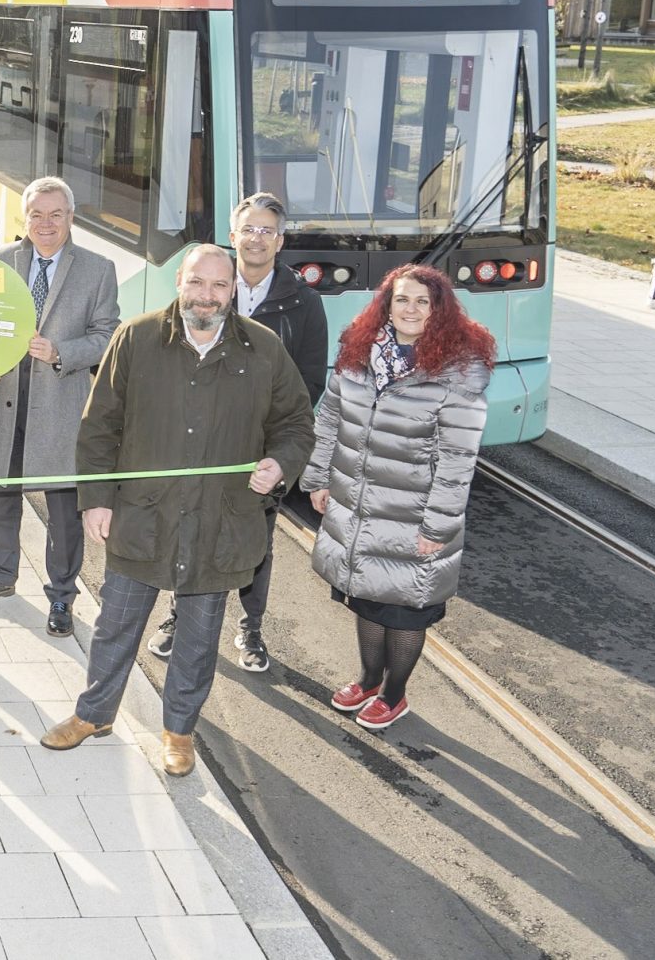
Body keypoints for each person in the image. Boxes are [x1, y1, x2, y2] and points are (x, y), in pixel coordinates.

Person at [41, 246, 313, 777]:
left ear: (233, 290)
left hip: (220, 523)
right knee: (115, 625)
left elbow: (297, 425)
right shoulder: (137, 338)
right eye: (196, 284)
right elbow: (99, 427)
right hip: (143, 516)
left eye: (218, 286)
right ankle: (93, 714)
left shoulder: (264, 349)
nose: (206, 296)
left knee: (197, 636)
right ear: (179, 285)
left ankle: (179, 731)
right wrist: (96, 500)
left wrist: (279, 464)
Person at [304, 264, 493, 731]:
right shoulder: (359, 348)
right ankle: (369, 679)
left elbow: (458, 456)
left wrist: (439, 525)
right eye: (402, 300)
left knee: (405, 608)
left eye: (422, 302)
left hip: (415, 511)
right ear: (387, 305)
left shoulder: (459, 370)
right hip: (357, 501)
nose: (410, 310)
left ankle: (394, 694)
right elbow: (330, 416)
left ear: (439, 310)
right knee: (366, 596)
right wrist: (317, 477)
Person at [147, 192, 329, 673]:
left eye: (267, 230)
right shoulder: (206, 291)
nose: (256, 238)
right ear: (232, 237)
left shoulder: (304, 304)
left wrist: (268, 437)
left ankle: (250, 628)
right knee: (187, 529)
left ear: (280, 241)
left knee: (256, 542)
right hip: (198, 439)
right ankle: (176, 616)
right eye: (248, 228)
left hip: (257, 449)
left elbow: (310, 382)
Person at [0, 178, 120, 637]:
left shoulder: (97, 269)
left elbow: (107, 337)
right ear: (24, 218)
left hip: (59, 405)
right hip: (5, 402)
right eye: (37, 214)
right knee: (1, 497)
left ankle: (62, 596)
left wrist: (59, 353)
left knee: (63, 511)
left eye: (56, 214)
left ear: (71, 218)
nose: (46, 224)